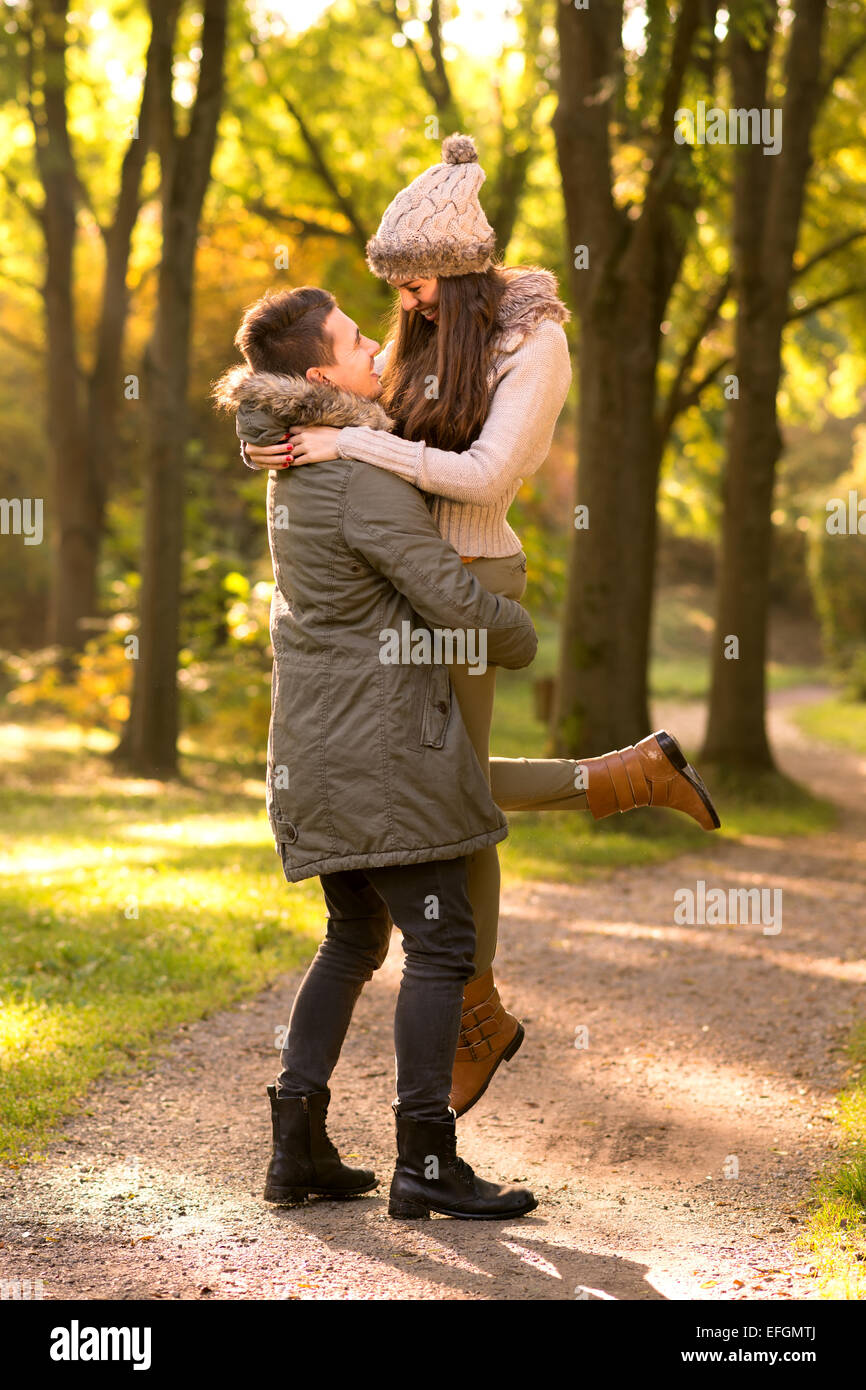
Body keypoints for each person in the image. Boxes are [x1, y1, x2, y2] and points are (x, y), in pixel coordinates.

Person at [238, 135, 722, 1118]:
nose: (401, 305)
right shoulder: (432, 329)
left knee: (445, 784)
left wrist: (354, 449)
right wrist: (278, 435)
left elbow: (485, 476)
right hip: (410, 572)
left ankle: (475, 1007)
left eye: (413, 284)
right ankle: (622, 777)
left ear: (455, 274)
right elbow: (342, 389)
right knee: (435, 775)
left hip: (469, 571)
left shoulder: (533, 342)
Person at [213, 285, 540, 1220]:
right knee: (441, 941)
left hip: (320, 744)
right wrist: (516, 633)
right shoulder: (354, 477)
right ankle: (426, 1161)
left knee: (354, 936)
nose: (377, 350)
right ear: (319, 376)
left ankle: (298, 1143)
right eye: (357, 340)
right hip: (383, 750)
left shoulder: (291, 462)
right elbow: (444, 589)